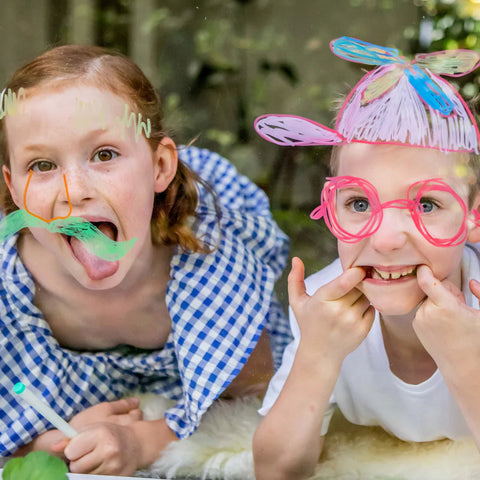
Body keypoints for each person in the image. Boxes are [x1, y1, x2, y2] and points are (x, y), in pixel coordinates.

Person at [0, 45, 291, 476]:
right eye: (41, 164)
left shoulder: (208, 270)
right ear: (13, 186)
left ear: (159, 166)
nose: (73, 190)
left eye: (104, 154)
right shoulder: (10, 294)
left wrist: (145, 440)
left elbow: (266, 400)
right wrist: (50, 445)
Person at [252, 36, 480, 480]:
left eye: (427, 205)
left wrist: (468, 362)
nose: (387, 238)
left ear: (473, 217)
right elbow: (276, 470)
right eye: (359, 204)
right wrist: (318, 354)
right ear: (330, 207)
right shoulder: (325, 309)